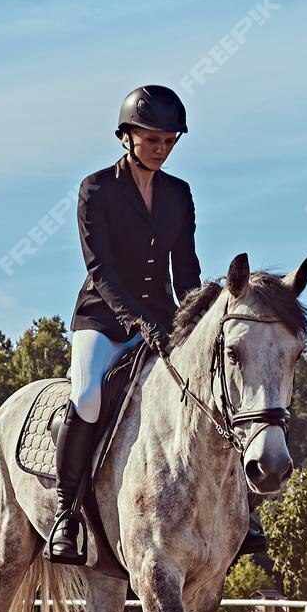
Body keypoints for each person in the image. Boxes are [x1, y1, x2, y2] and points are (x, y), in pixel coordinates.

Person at [48, 84, 202, 565]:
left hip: (161, 317)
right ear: (127, 135)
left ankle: (232, 508)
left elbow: (186, 269)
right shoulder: (96, 188)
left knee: (204, 387)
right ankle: (65, 513)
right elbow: (102, 269)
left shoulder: (179, 194)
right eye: (153, 139)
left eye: (169, 141)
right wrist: (136, 319)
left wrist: (193, 317)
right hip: (102, 316)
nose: (162, 148)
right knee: (88, 394)